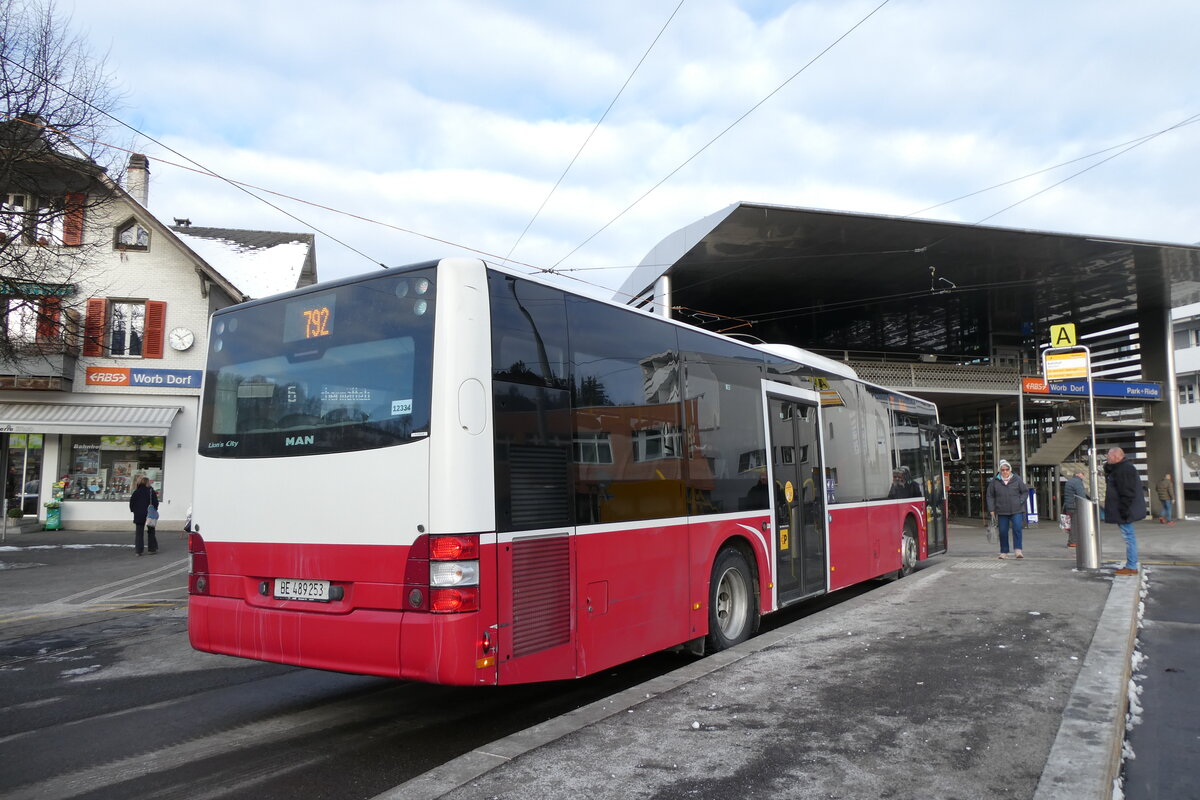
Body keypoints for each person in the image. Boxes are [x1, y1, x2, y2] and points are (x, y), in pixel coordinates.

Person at [1104, 447, 1146, 576]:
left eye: (1109, 457)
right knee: (1129, 536)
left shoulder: (1124, 470)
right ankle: (1131, 565)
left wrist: (1124, 510)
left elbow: (1126, 492)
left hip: (1125, 510)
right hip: (1124, 509)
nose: (1107, 458)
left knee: (1129, 537)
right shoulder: (1121, 468)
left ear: (1116, 457)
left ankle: (1131, 566)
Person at [986, 459, 1029, 559]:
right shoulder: (995, 481)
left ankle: (1018, 550)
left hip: (1016, 509)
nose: (1005, 471)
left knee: (1017, 529)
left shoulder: (1017, 479)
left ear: (1010, 470)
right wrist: (991, 509)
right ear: (1000, 471)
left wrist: (1020, 501)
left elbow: (1025, 492)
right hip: (1002, 510)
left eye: (1007, 469)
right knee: (1003, 531)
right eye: (1003, 470)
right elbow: (990, 496)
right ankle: (1004, 552)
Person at [128, 476, 159, 556]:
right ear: (147, 483)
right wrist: (154, 509)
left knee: (139, 533)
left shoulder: (136, 492)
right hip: (149, 514)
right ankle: (151, 549)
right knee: (151, 531)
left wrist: (134, 511)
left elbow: (131, 503)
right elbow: (155, 502)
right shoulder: (150, 491)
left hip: (138, 514)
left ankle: (138, 551)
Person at [1061, 468, 1087, 548]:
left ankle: (1071, 541)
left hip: (1069, 506)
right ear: (1079, 474)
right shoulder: (1077, 482)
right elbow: (1081, 495)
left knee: (1071, 524)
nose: (1084, 476)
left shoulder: (1069, 481)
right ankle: (1073, 542)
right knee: (1075, 525)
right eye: (1083, 474)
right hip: (1075, 506)